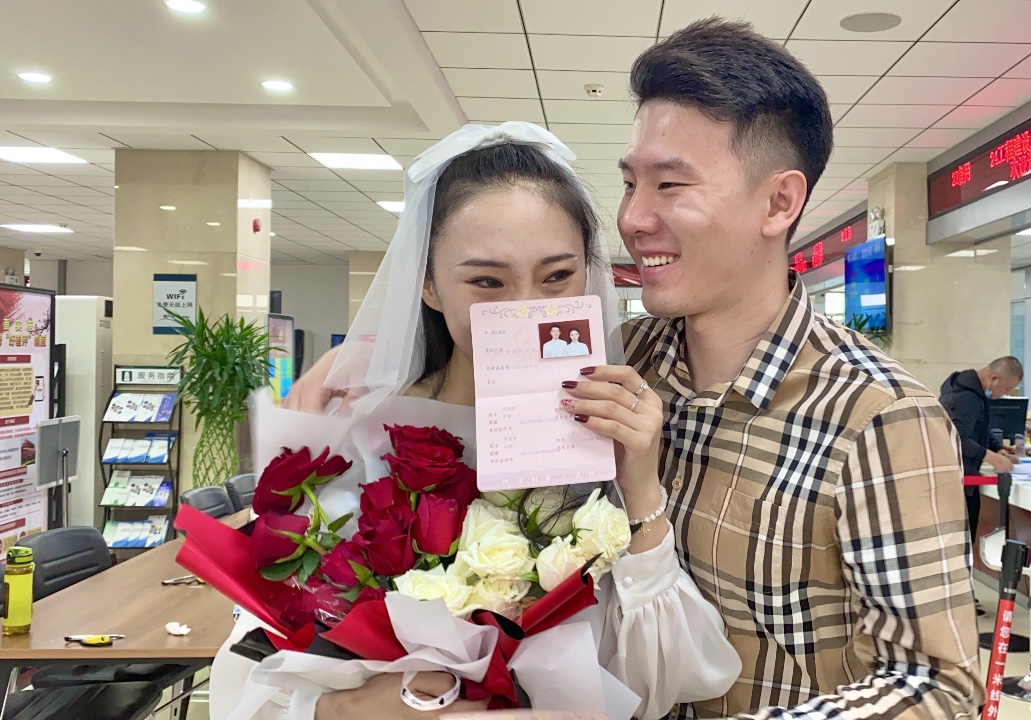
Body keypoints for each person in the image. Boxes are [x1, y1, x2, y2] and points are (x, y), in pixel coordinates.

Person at [287, 18, 980, 720]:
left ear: (779, 202)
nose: (635, 218)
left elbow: (937, 687)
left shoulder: (877, 416)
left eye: (670, 185)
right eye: (629, 183)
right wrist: (375, 365)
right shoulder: (619, 358)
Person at [213, 125, 740, 720]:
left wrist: (640, 487)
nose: (526, 309)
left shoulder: (607, 433)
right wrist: (347, 708)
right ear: (429, 285)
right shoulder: (358, 431)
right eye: (487, 282)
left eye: (557, 276)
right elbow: (249, 669)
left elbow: (664, 680)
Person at [939, 356, 1023, 546]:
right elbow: (957, 437)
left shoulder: (969, 391)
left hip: (959, 480)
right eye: (1007, 388)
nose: (1006, 394)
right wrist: (990, 457)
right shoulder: (966, 397)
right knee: (961, 545)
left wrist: (998, 449)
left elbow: (978, 427)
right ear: (994, 378)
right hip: (958, 485)